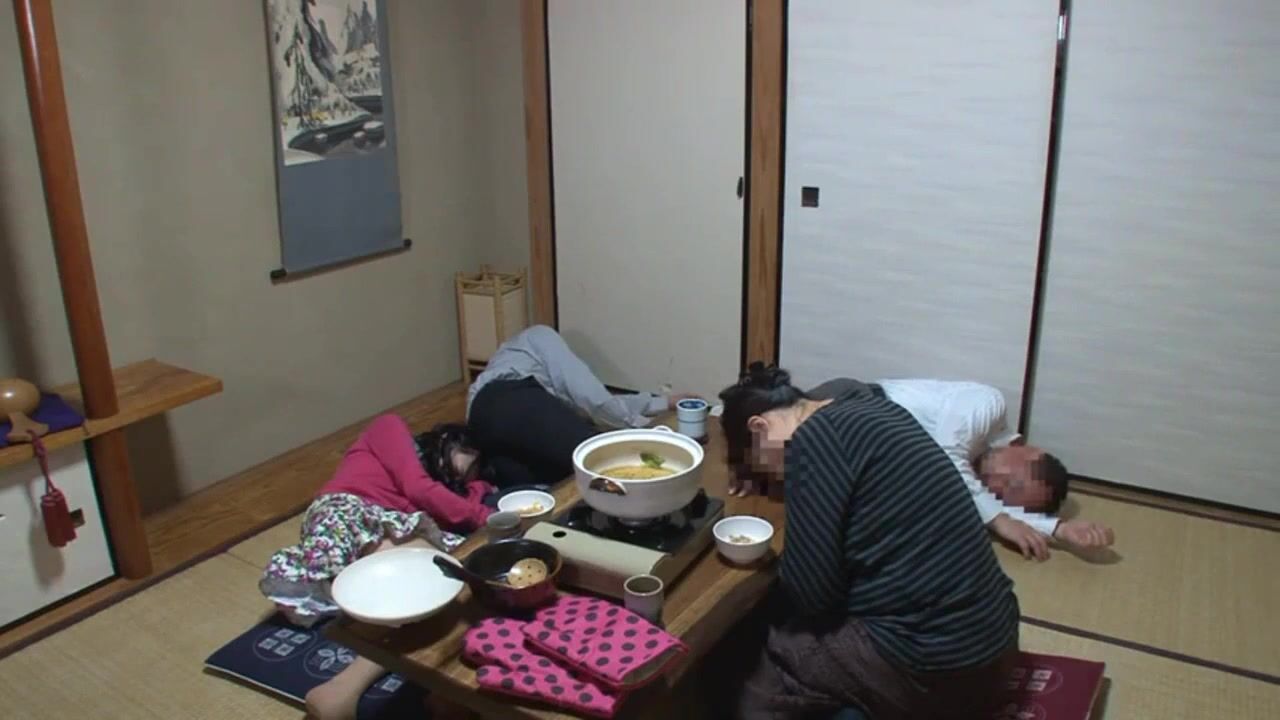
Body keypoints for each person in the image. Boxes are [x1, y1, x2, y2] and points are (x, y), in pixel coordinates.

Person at [719, 365, 1021, 719]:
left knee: (766, 667)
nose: (767, 476)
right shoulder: (875, 407)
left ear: (759, 427)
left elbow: (812, 596)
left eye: (755, 464)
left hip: (939, 668)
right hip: (997, 640)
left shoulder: (813, 441)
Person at [258, 414, 494, 720]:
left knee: (461, 580)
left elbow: (451, 508)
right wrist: (488, 516)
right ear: (451, 441)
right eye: (471, 460)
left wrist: (478, 488)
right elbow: (421, 489)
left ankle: (437, 687)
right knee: (444, 576)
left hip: (386, 539)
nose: (469, 474)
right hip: (349, 512)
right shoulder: (389, 429)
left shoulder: (443, 489)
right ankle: (347, 691)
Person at [739, 376, 1115, 561]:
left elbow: (974, 496)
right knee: (772, 450)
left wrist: (1058, 529)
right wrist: (1001, 520)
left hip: (868, 454)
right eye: (1013, 481)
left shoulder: (973, 477)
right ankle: (745, 457)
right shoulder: (989, 407)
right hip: (854, 402)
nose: (996, 486)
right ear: (1030, 452)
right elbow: (950, 459)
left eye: (1006, 496)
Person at [467, 325, 693, 487]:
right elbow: (594, 399)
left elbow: (601, 403)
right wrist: (644, 431)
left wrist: (663, 402)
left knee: (560, 484)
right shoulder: (541, 336)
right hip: (511, 398)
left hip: (480, 424)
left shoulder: (513, 359)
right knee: (598, 461)